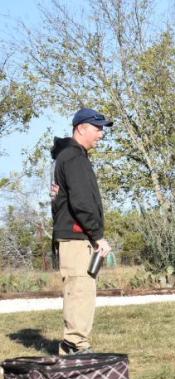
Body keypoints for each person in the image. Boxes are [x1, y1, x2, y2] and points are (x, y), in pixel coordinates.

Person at [51, 108, 113, 355]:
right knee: (79, 292)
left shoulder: (72, 157)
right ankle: (75, 346)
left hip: (77, 236)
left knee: (82, 291)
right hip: (77, 238)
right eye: (97, 128)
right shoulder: (73, 158)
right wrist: (98, 236)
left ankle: (76, 344)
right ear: (81, 128)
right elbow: (81, 202)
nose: (101, 134)